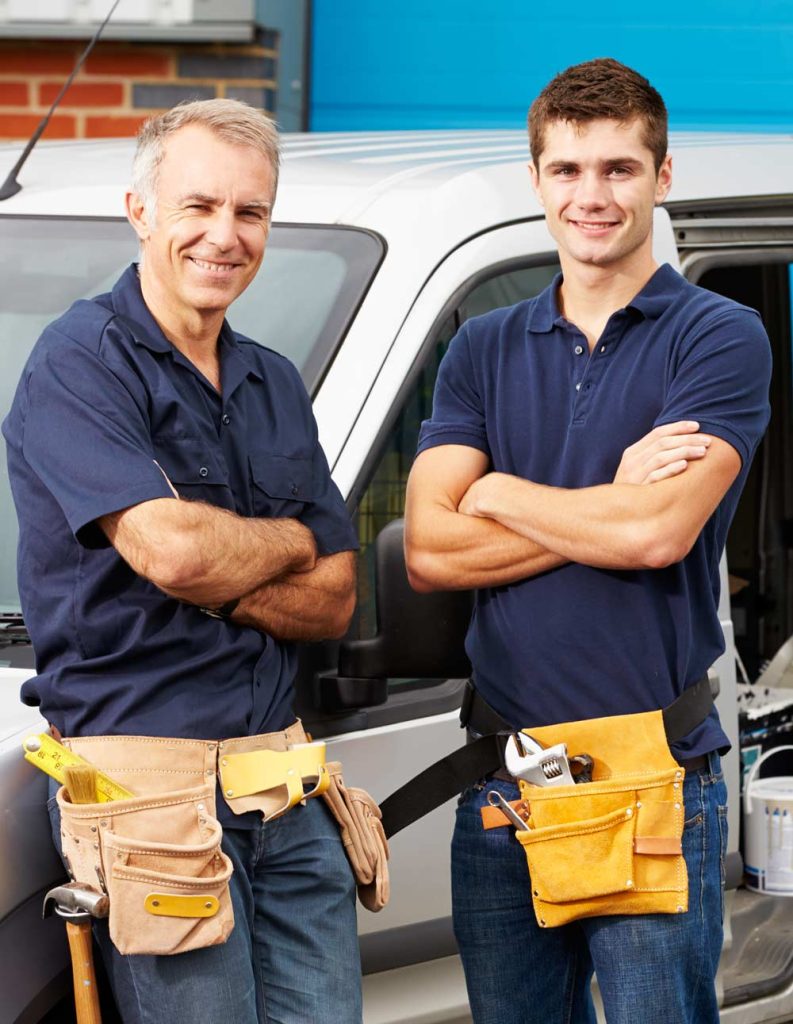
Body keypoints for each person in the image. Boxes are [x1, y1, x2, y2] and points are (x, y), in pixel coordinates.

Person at [404, 59, 771, 1024]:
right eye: (566, 170)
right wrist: (606, 499)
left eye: (617, 168)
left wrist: (495, 491)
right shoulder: (482, 346)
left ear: (662, 175)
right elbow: (430, 551)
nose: (590, 195)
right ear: (535, 179)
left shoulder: (718, 336)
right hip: (504, 785)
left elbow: (655, 534)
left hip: (653, 773)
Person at [3, 99, 362, 1024]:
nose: (224, 235)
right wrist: (287, 540)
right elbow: (173, 554)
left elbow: (333, 596)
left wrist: (225, 566)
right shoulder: (80, 362)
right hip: (147, 795)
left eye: (250, 212)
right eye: (197, 206)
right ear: (140, 211)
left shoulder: (272, 380)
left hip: (280, 782)